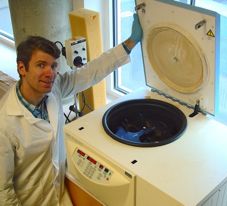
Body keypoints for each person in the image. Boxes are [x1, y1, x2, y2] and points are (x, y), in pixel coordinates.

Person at [0, 13, 142, 205]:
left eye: (53, 65)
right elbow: (3, 191)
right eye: (41, 65)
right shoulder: (5, 124)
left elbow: (89, 72)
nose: (50, 73)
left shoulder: (54, 87)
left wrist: (130, 42)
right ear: (22, 68)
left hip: (58, 194)